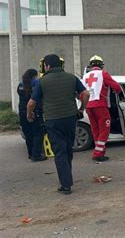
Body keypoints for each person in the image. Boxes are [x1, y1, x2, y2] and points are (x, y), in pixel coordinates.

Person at [27, 54, 89, 195]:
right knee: (67, 148)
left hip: (53, 120)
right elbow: (85, 94)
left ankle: (66, 185)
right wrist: (81, 109)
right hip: (70, 118)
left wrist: (29, 114)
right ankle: (67, 176)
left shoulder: (43, 81)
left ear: (47, 66)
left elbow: (31, 103)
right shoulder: (71, 77)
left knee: (59, 151)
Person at [82, 55, 122, 162]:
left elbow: (82, 94)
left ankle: (98, 150)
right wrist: (119, 93)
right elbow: (117, 87)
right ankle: (98, 154)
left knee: (95, 130)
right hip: (100, 105)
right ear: (101, 65)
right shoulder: (103, 74)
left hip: (88, 106)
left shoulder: (85, 76)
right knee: (104, 129)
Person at [17, 69, 46, 162]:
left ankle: (30, 154)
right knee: (38, 134)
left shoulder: (20, 85)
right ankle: (36, 155)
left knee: (28, 134)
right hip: (35, 111)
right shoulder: (37, 83)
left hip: (22, 112)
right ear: (34, 75)